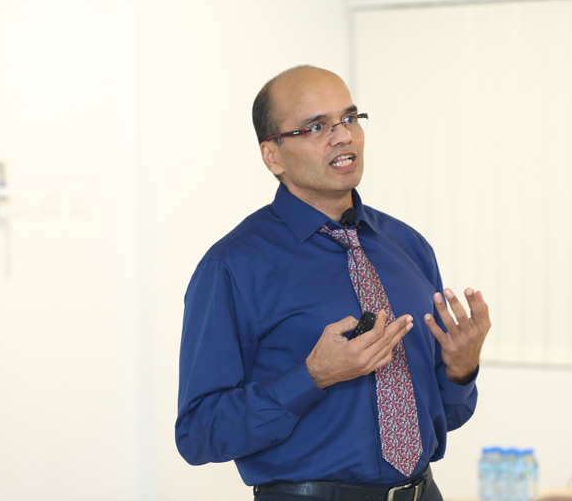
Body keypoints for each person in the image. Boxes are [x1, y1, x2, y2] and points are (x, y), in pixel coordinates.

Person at [176, 65, 491, 501]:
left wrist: (461, 369)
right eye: (316, 126)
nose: (343, 136)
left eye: (349, 118)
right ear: (273, 155)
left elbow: (445, 416)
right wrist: (314, 375)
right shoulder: (233, 267)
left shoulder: (408, 246)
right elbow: (199, 434)